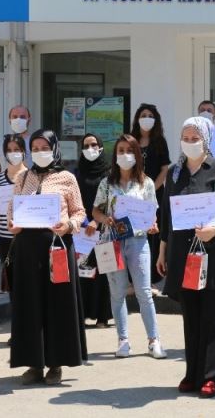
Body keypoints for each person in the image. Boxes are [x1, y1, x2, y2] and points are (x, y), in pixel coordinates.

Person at [157, 116, 215, 398]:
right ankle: (192, 374)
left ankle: (210, 376)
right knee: (190, 317)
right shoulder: (175, 172)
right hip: (183, 256)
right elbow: (166, 215)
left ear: (206, 140)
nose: (190, 143)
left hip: (214, 255)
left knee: (213, 318)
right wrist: (163, 250)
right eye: (186, 138)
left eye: (195, 138)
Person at [7, 129, 88, 386]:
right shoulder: (23, 177)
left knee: (58, 304)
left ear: (54, 148)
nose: (40, 152)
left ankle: (56, 364)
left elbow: (79, 212)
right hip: (27, 249)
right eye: (36, 147)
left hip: (57, 246)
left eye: (45, 147)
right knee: (29, 304)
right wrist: (14, 224)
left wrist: (68, 226)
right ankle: (33, 364)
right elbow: (13, 209)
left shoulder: (66, 178)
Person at [92, 134, 167, 359]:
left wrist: (153, 225)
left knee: (144, 292)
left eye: (129, 150)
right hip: (112, 242)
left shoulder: (147, 183)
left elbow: (151, 214)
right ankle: (123, 340)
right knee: (117, 293)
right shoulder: (107, 183)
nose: (125, 155)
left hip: (138, 242)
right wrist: (105, 219)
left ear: (137, 154)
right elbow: (95, 210)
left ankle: (154, 340)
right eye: (120, 150)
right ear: (115, 155)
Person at [130, 103, 171, 288]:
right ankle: (132, 278)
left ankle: (152, 279)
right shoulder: (130, 140)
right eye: (143, 115)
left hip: (155, 194)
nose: (146, 118)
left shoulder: (160, 142)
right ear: (138, 118)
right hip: (133, 196)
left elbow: (165, 169)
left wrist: (151, 188)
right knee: (133, 234)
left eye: (150, 115)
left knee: (153, 234)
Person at [75, 133, 112, 328]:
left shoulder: (108, 173)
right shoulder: (77, 173)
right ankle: (82, 313)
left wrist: (97, 221)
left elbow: (111, 202)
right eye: (86, 145)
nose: (90, 149)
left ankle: (102, 317)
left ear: (101, 147)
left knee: (103, 273)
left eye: (94, 144)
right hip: (82, 230)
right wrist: (84, 220)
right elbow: (73, 200)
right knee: (83, 272)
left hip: (103, 228)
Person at [0, 135, 28, 299]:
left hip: (25, 237)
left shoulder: (32, 177)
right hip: (5, 237)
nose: (13, 153)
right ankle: (16, 319)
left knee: (27, 281)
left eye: (17, 150)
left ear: (24, 152)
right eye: (9, 150)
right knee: (10, 282)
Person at [0, 105, 32, 175]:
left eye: (22, 117)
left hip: (31, 184)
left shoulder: (37, 143)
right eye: (15, 117)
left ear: (29, 120)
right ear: (10, 120)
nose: (18, 120)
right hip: (5, 185)